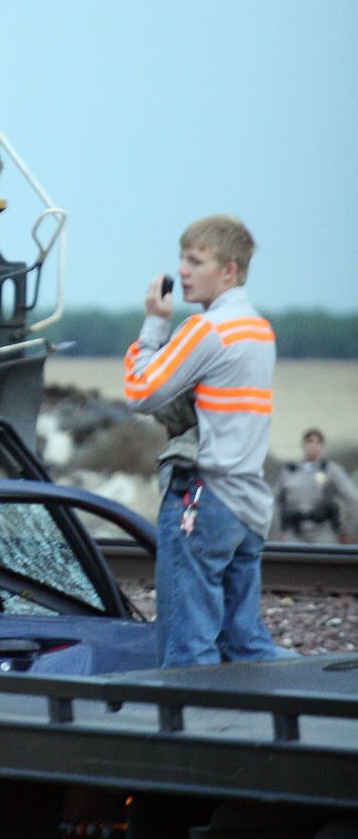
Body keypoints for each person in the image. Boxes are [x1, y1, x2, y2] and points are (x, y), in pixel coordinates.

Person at [123, 215, 278, 666]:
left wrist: (154, 324)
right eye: (182, 260)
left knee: (188, 648)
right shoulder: (259, 330)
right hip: (249, 503)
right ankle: (274, 726)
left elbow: (140, 392)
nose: (183, 271)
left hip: (203, 498)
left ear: (229, 270)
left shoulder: (206, 329)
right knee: (243, 642)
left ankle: (197, 732)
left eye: (196, 261)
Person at [275, 429, 358, 544]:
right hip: (294, 532)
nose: (314, 446)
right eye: (310, 441)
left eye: (318, 442)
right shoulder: (290, 471)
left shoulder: (330, 469)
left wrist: (346, 531)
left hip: (322, 531)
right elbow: (275, 501)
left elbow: (352, 498)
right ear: (303, 444)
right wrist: (280, 528)